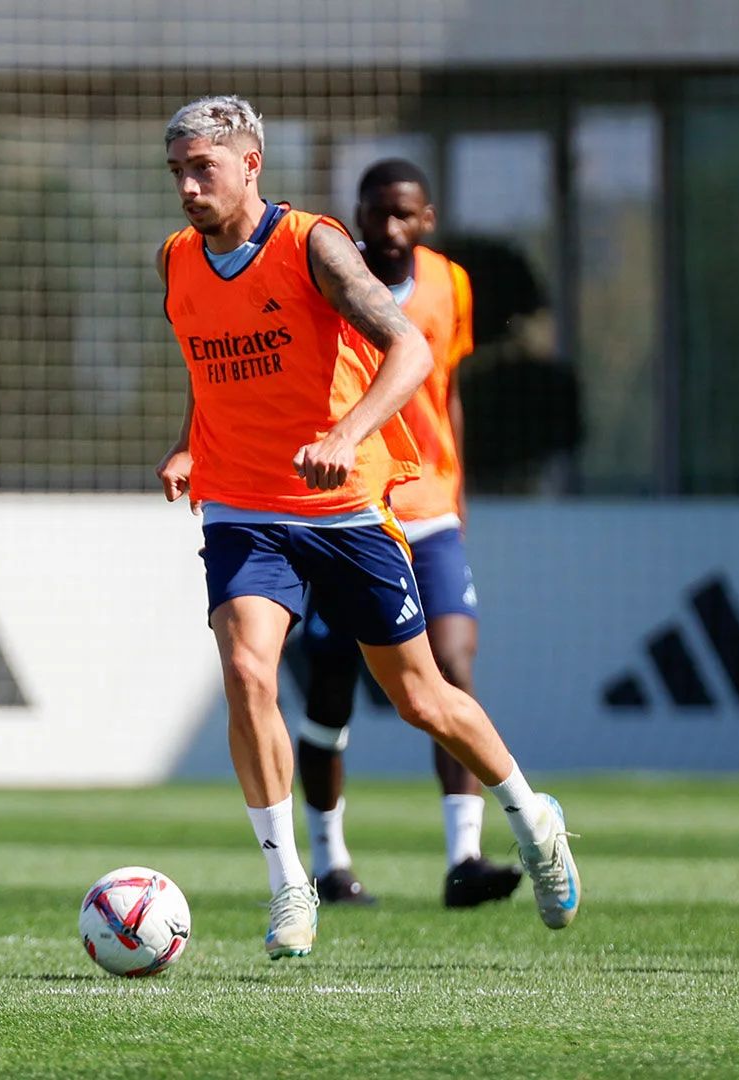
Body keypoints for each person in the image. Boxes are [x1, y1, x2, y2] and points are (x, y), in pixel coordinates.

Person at [152, 96, 578, 960]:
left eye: (204, 167)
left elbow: (411, 353)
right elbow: (213, 372)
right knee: (246, 671)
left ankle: (532, 817)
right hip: (244, 506)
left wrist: (346, 436)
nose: (190, 187)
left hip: (345, 507)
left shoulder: (311, 245)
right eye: (178, 172)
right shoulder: (175, 261)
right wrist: (189, 445)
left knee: (420, 695)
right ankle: (289, 889)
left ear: (251, 163)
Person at [296, 158, 524, 909]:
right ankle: (329, 863)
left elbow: (444, 390)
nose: (389, 228)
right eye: (376, 213)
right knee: (330, 692)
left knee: (453, 666)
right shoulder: (332, 280)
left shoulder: (449, 284)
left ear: (426, 219)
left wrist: (457, 492)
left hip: (429, 510)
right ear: (357, 215)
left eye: (405, 215)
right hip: (353, 509)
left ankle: (466, 857)